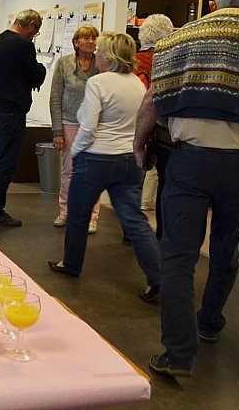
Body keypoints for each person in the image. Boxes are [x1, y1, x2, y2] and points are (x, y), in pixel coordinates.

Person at [134, 0, 239, 378]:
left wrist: (138, 144)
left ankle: (178, 354)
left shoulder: (179, 40)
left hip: (189, 160)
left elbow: (152, 100)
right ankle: (209, 322)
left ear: (213, 4)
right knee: (225, 248)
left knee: (178, 256)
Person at [47, 32, 160, 302]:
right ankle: (158, 277)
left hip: (95, 159)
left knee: (78, 215)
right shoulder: (137, 83)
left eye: (99, 51)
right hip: (128, 161)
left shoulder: (98, 82)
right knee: (134, 221)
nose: (95, 54)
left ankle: (71, 264)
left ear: (108, 57)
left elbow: (88, 127)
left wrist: (76, 151)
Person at [0, 9, 46, 226]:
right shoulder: (23, 45)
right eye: (35, 32)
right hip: (11, 110)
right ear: (31, 25)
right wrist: (41, 68)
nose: (33, 36)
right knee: (7, 162)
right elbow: (36, 76)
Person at [49, 25, 101, 233]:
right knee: (69, 171)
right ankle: (66, 211)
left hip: (95, 124)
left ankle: (92, 216)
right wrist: (57, 131)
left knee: (93, 172)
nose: (90, 42)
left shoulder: (102, 64)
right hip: (69, 122)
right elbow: (55, 98)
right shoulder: (64, 63)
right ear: (76, 42)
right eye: (85, 38)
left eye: (93, 38)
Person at [132, 14, 174, 236]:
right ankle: (160, 234)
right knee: (163, 182)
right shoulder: (169, 59)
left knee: (134, 179)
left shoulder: (132, 61)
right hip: (162, 130)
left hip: (132, 126)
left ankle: (130, 228)